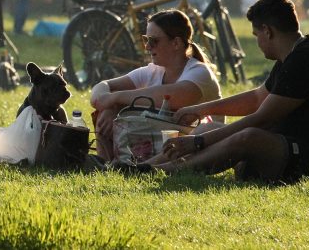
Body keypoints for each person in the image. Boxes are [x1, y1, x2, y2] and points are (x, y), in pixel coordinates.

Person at [155, 0, 309, 182]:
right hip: (302, 148)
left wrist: (198, 143)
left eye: (256, 35)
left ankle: (162, 171)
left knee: (248, 137)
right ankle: (143, 166)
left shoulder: (306, 60)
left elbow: (262, 118)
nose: (257, 42)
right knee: (207, 128)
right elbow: (257, 98)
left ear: (267, 31)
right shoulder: (293, 56)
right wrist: (201, 110)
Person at [88, 10, 221, 161]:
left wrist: (116, 98)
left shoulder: (199, 72)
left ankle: (135, 167)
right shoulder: (152, 71)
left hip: (203, 151)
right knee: (105, 112)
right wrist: (110, 106)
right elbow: (101, 88)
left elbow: (172, 96)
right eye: (146, 39)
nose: (147, 47)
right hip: (166, 147)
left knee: (115, 106)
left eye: (153, 41)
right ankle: (106, 165)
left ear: (176, 43)